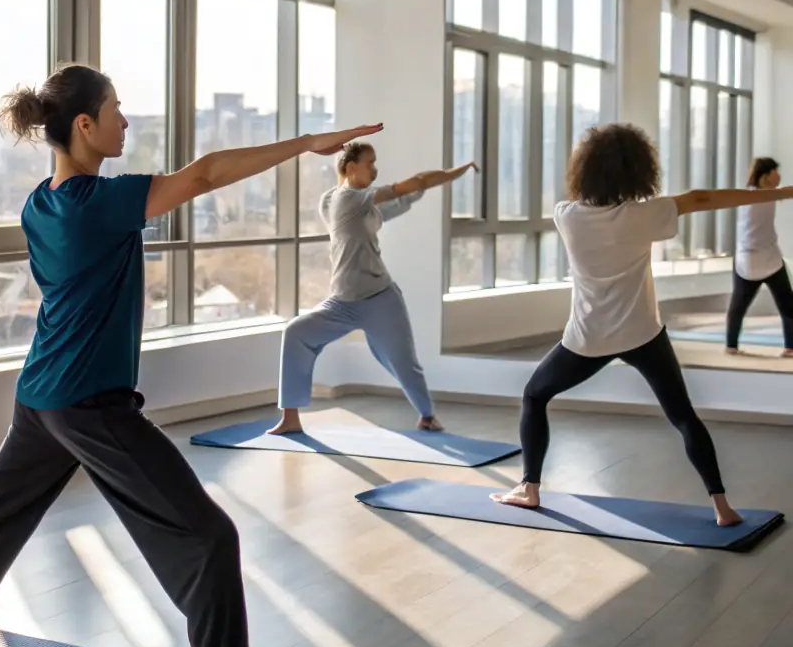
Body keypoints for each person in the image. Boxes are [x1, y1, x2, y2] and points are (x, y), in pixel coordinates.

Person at [0, 61, 382, 647]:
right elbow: (206, 173)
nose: (127, 121)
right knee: (209, 537)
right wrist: (307, 141)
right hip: (90, 404)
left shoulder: (40, 203)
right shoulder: (96, 202)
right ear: (84, 126)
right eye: (117, 110)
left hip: (40, 394)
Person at [492, 123, 793, 527]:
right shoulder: (646, 214)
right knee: (683, 415)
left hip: (587, 340)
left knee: (534, 396)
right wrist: (780, 193)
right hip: (644, 335)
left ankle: (528, 488)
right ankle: (722, 507)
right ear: (641, 170)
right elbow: (702, 198)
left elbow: (584, 199)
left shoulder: (567, 216)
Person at [268, 141, 478, 437]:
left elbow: (406, 196)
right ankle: (290, 418)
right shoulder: (343, 199)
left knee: (403, 362)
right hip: (341, 302)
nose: (376, 169)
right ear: (351, 168)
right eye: (370, 163)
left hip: (381, 300)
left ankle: (427, 415)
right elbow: (414, 182)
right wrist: (453, 172)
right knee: (296, 333)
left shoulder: (363, 206)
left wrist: (446, 177)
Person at [725, 156, 793, 358]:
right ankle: (790, 347)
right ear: (766, 176)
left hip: (759, 259)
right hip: (756, 260)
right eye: (775, 171)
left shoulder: (764, 194)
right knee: (787, 305)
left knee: (739, 306)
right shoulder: (755, 197)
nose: (779, 175)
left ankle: (731, 346)